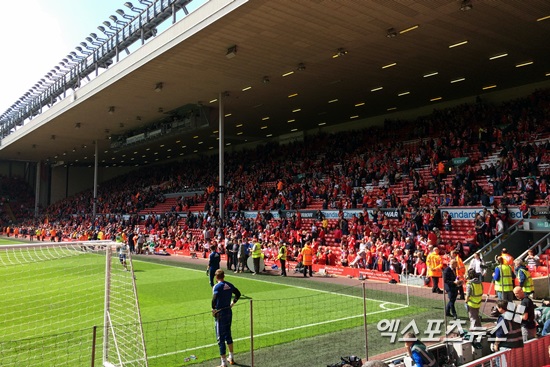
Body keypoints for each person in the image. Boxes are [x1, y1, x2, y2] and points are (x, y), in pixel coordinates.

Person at [212, 269, 241, 367]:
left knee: (220, 337)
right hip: (228, 311)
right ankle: (231, 357)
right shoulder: (229, 285)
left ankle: (223, 363)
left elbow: (214, 299)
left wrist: (213, 309)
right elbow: (238, 294)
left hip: (220, 313)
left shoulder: (217, 286)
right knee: (228, 334)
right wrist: (232, 303)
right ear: (224, 276)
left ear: (216, 277)